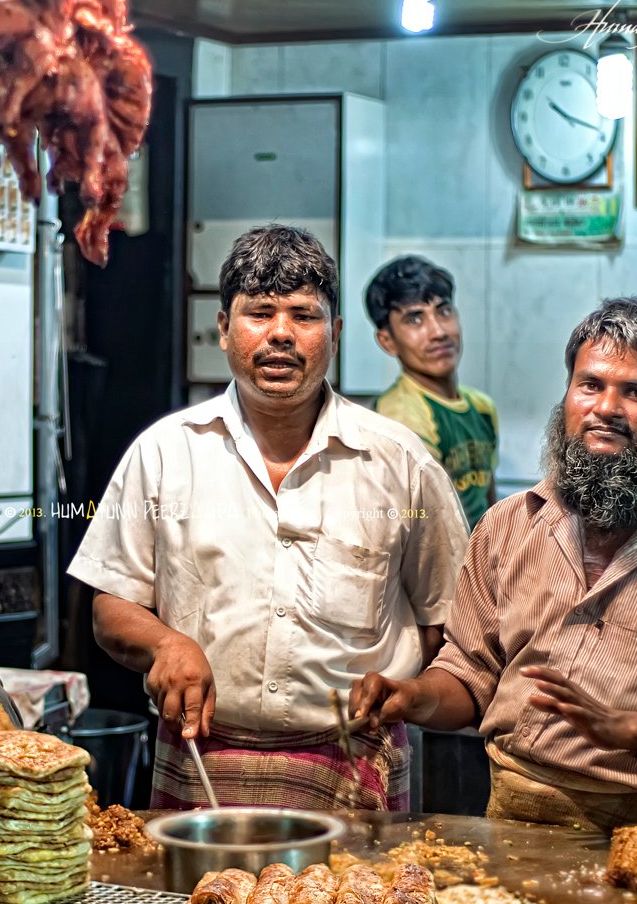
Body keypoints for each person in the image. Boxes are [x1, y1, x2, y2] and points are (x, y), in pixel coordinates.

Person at [67, 224, 468, 812]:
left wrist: (404, 692)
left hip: (357, 768)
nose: (281, 334)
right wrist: (165, 642)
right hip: (201, 760)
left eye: (304, 315)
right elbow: (111, 605)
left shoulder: (401, 463)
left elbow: (446, 620)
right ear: (225, 329)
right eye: (259, 313)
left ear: (334, 333)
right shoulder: (164, 452)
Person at [351, 297, 637, 831]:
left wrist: (629, 729)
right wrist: (413, 696)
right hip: (510, 822)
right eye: (591, 385)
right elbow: (471, 673)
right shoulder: (507, 527)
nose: (607, 407)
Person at [366, 256, 500, 527]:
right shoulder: (399, 417)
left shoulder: (481, 407)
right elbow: (427, 528)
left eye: (444, 311)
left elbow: (489, 502)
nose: (438, 331)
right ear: (387, 340)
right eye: (415, 319)